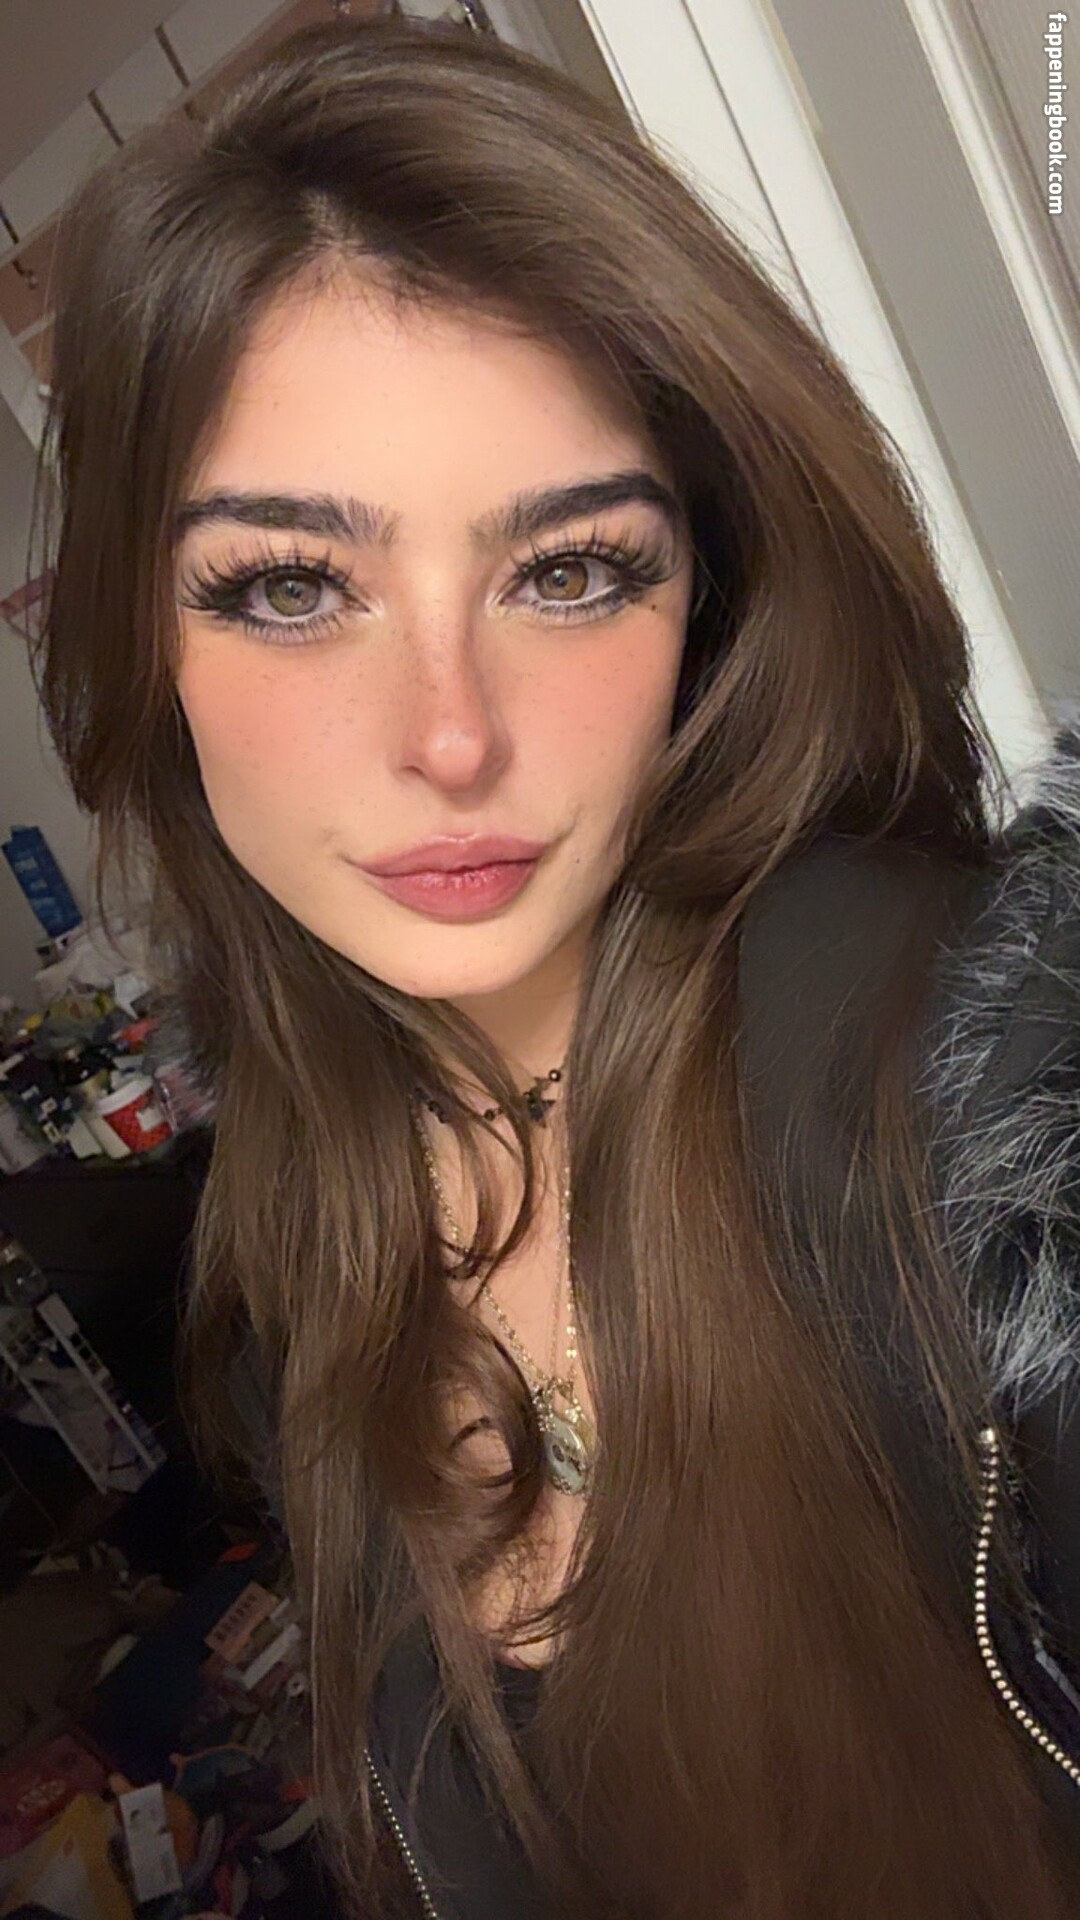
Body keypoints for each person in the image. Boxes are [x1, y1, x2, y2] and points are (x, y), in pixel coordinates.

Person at [31, 12, 1080, 1918]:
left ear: (709, 606)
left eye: (568, 568)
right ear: (144, 643)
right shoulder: (297, 1226)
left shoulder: (981, 1096)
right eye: (293, 586)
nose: (452, 736)